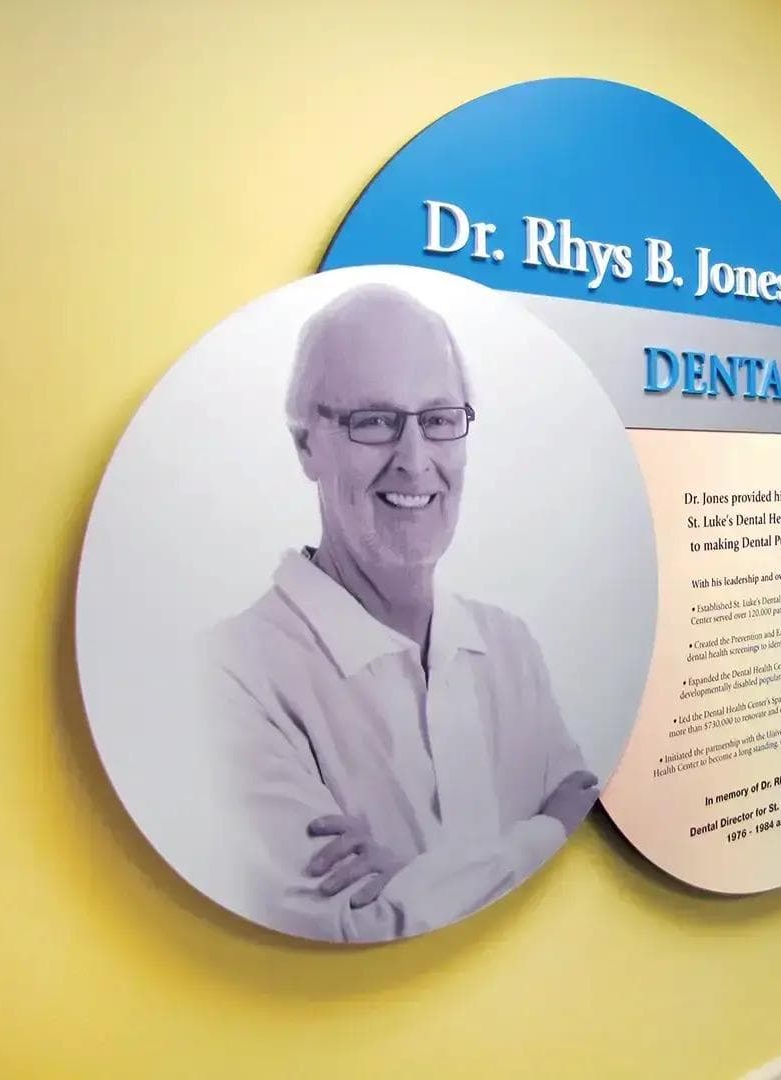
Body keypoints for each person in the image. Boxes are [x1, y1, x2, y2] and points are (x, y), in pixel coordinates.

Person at [204, 283, 597, 942]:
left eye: (438, 419)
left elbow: (585, 808)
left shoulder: (509, 646)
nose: (415, 462)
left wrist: (416, 878)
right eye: (374, 421)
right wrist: (543, 830)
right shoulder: (228, 678)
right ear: (305, 446)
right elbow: (355, 928)